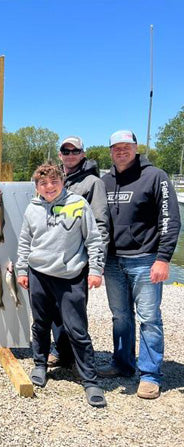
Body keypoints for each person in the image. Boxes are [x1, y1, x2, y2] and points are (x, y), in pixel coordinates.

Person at [98, 130, 181, 400]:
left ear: (136, 148)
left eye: (126, 147)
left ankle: (149, 374)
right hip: (113, 261)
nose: (121, 152)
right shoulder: (105, 181)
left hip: (146, 259)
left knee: (149, 319)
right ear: (110, 151)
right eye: (116, 148)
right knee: (120, 317)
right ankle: (123, 363)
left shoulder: (156, 176)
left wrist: (163, 258)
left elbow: (170, 220)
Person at [16, 163, 106, 407]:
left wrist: (95, 270)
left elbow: (94, 239)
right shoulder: (32, 209)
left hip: (71, 276)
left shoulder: (78, 204)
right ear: (37, 186)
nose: (49, 187)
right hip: (38, 274)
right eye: (43, 183)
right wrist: (22, 270)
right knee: (41, 324)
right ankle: (40, 364)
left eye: (54, 182)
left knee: (77, 328)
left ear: (62, 182)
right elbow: (25, 241)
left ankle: (90, 379)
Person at [48, 136, 111, 368]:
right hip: (53, 258)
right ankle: (62, 351)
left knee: (74, 311)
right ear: (60, 154)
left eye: (76, 151)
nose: (71, 154)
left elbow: (100, 225)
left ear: (83, 154)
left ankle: (81, 360)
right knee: (55, 309)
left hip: (78, 259)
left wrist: (96, 263)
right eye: (66, 150)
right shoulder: (54, 180)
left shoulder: (93, 183)